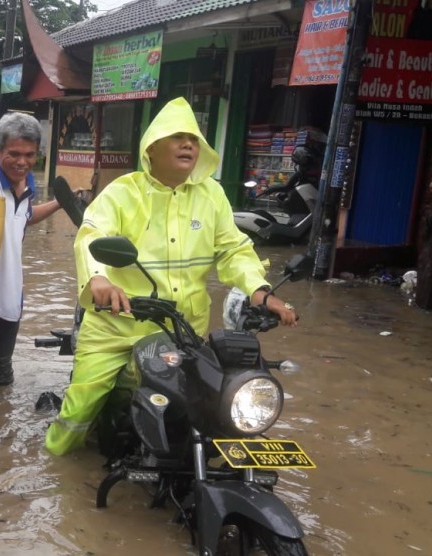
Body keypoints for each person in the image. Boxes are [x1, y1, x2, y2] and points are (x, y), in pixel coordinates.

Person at [45, 97, 298, 456]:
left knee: (210, 404)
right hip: (119, 327)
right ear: (152, 146)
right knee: (82, 406)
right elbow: (92, 235)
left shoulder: (211, 195)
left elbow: (233, 249)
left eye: (194, 139)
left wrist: (260, 291)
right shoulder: (123, 192)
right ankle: (55, 464)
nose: (188, 145)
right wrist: (98, 279)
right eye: (177, 137)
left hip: (182, 331)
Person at [0, 112, 63, 386]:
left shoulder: (28, 182)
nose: (22, 162)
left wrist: (60, 203)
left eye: (30, 155)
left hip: (9, 298)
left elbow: (24, 216)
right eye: (14, 154)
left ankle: (0, 426)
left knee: (1, 378)